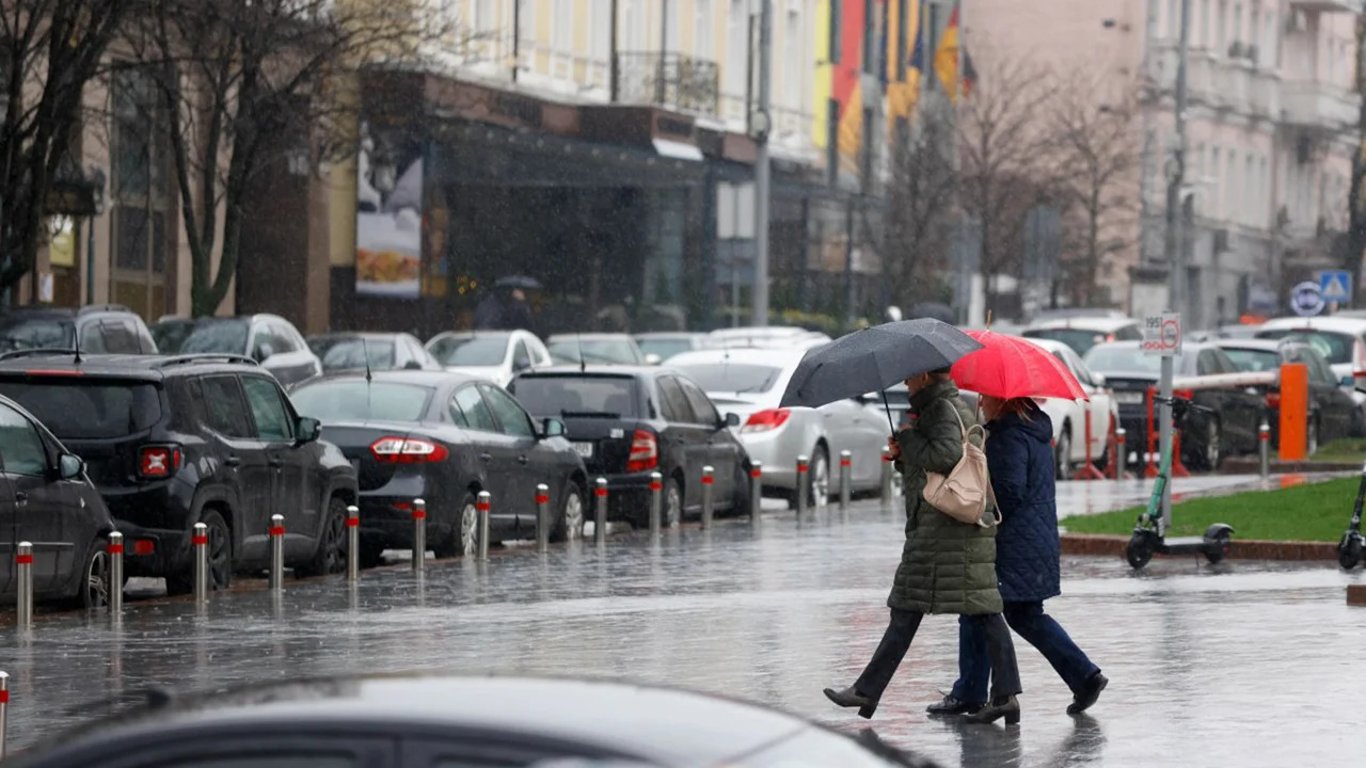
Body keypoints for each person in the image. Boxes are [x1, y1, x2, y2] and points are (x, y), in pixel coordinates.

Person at [824, 368, 1023, 725]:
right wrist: (905, 454)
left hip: (951, 536)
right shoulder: (941, 407)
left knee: (980, 611)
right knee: (914, 609)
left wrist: (909, 439)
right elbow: (936, 468)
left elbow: (945, 456)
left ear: (927, 376)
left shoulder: (942, 409)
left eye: (911, 378)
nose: (906, 383)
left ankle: (1005, 696)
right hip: (940, 534)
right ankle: (867, 692)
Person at [927, 396, 1107, 718]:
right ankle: (1084, 677)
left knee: (979, 607)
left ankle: (972, 692)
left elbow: (1009, 491)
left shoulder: (1011, 435)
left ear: (1001, 399)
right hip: (1032, 540)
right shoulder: (1031, 429)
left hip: (1014, 542)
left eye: (986, 396)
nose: (981, 401)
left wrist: (978, 500)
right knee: (1020, 614)